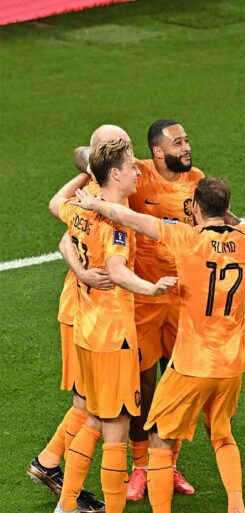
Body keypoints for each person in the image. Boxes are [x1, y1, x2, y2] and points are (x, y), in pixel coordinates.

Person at [71, 162, 245, 513]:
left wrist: (95, 204)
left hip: (191, 365)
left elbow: (131, 218)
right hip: (231, 365)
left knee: (159, 441)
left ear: (195, 208)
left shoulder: (186, 238)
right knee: (222, 435)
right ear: (225, 207)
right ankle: (236, 506)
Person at [74, 119, 215, 500]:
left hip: (183, 297)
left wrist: (242, 227)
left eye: (187, 140)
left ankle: (167, 464)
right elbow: (83, 156)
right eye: (178, 142)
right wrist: (93, 161)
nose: (187, 147)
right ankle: (140, 466)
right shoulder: (137, 173)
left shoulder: (197, 180)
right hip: (143, 300)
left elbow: (216, 217)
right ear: (157, 151)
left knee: (177, 382)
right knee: (143, 384)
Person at [48, 138, 176, 513]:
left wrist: (80, 271)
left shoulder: (83, 206)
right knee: (116, 431)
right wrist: (150, 288)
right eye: (132, 166)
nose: (138, 171)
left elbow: (56, 207)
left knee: (92, 419)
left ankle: (66, 505)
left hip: (86, 330)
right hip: (113, 335)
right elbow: (118, 270)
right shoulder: (114, 222)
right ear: (116, 173)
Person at [28, 125, 129, 513]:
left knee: (89, 407)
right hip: (84, 312)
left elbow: (60, 210)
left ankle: (52, 466)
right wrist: (84, 272)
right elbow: (63, 237)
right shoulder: (98, 196)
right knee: (90, 409)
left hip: (86, 310)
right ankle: (58, 478)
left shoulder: (98, 190)